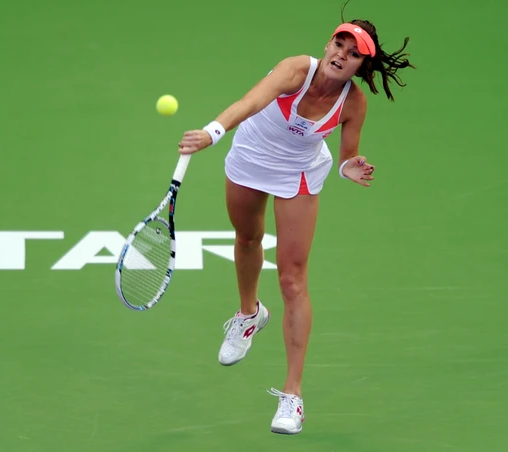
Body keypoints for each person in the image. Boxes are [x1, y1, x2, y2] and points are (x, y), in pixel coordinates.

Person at [177, 9, 413, 435]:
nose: (341, 55)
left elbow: (346, 155)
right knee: (247, 238)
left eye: (353, 54)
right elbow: (249, 103)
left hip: (298, 174)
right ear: (328, 44)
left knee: (292, 279)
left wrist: (349, 168)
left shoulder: (353, 103)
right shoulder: (295, 70)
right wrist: (213, 132)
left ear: (362, 65)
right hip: (250, 156)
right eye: (339, 44)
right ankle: (249, 314)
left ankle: (293, 396)